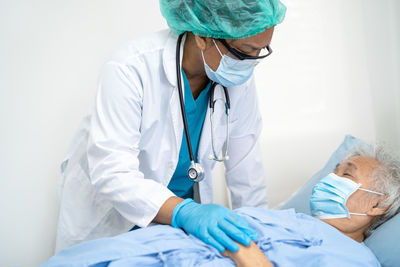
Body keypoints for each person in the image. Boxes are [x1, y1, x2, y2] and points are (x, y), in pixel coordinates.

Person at [55, 0, 287, 252]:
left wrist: (258, 232)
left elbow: (247, 174)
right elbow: (113, 172)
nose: (250, 64)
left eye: (261, 51)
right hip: (116, 217)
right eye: (244, 52)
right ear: (202, 37)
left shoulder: (236, 80)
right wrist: (185, 211)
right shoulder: (131, 67)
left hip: (177, 228)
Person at [43, 146, 400, 266]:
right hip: (133, 250)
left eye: (346, 175)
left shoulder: (353, 259)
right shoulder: (291, 219)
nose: (329, 179)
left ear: (377, 205)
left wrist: (244, 251)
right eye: (335, 169)